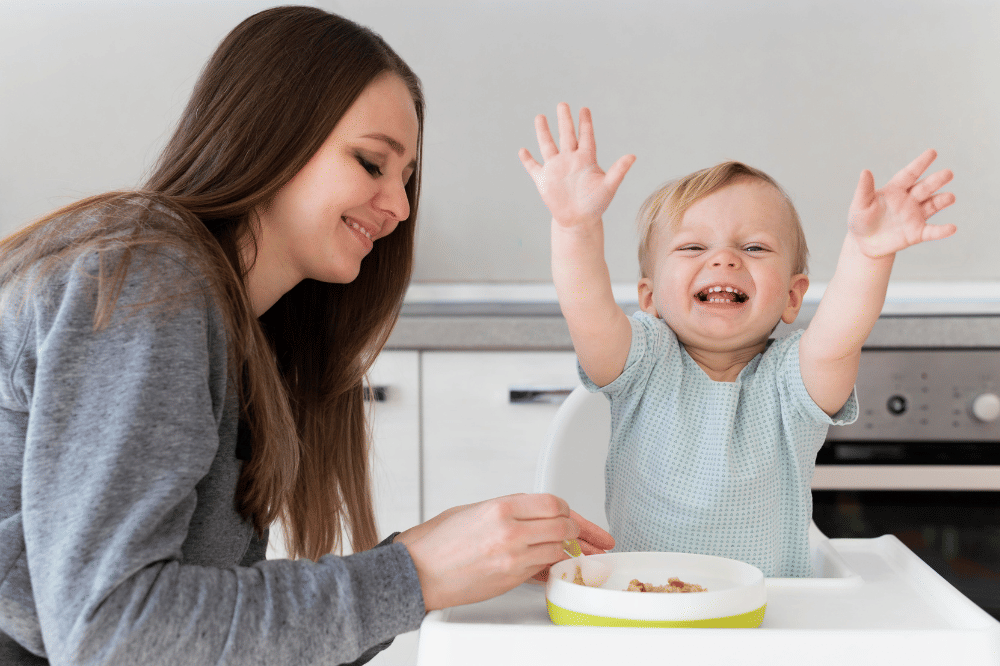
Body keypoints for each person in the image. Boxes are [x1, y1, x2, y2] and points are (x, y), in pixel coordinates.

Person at [0, 10, 613, 666]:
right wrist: (414, 573)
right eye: (372, 162)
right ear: (270, 132)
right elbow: (113, 634)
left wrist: (439, 568)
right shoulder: (152, 281)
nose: (399, 207)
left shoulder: (234, 321)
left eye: (404, 180)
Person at [518, 103, 956, 577]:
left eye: (754, 247)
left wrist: (869, 253)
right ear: (649, 296)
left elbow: (838, 339)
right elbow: (587, 311)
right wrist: (574, 227)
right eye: (692, 247)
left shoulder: (794, 383)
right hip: (647, 613)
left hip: (771, 622)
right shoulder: (642, 362)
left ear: (792, 297)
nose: (724, 259)